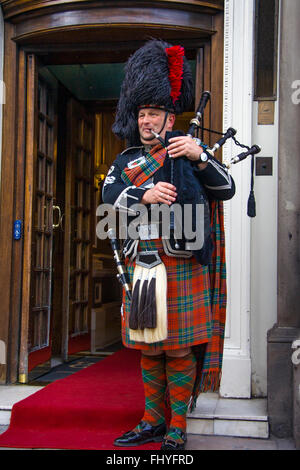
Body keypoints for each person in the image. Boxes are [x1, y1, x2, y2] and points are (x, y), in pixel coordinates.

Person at [102, 40, 235, 451]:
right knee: (148, 349)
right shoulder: (124, 163)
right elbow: (107, 202)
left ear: (169, 117)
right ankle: (151, 421)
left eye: (154, 113)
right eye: (141, 114)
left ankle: (177, 427)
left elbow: (225, 188)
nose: (146, 121)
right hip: (143, 264)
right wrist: (143, 195)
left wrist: (198, 156)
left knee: (177, 350)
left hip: (182, 262)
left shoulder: (191, 153)